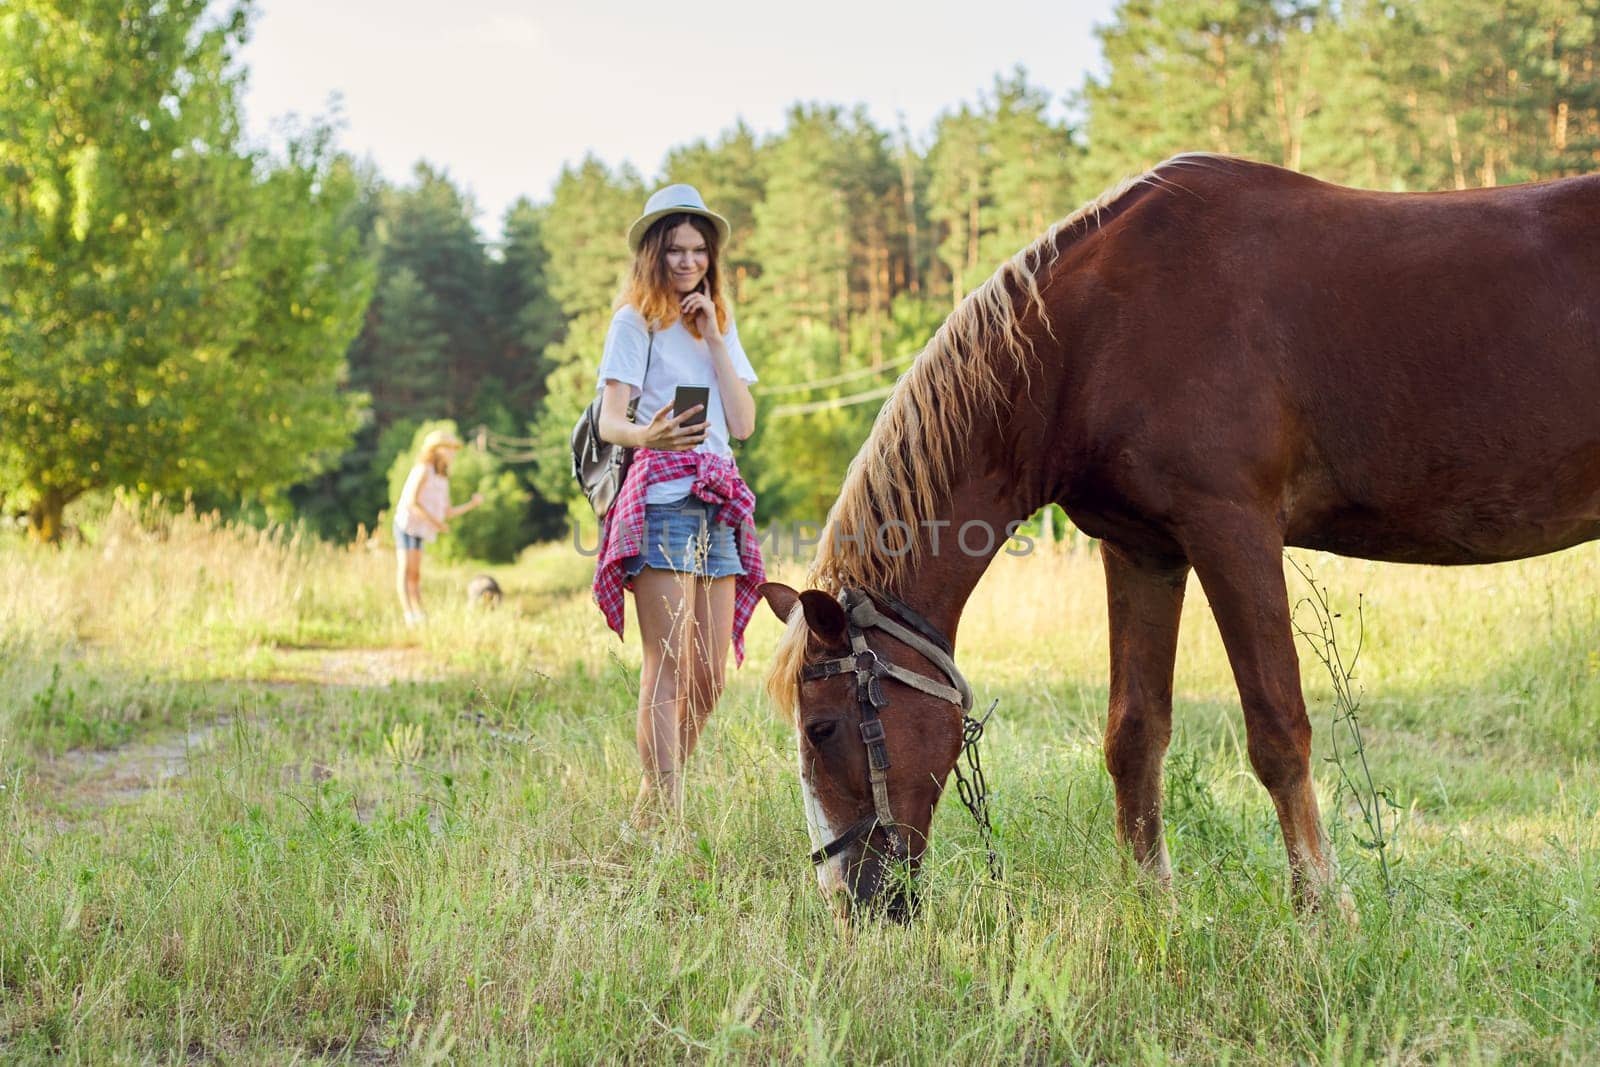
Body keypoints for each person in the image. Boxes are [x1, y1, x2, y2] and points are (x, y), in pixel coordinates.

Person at [591, 184, 766, 825]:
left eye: (698, 251)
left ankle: (648, 805)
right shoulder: (633, 321)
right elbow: (612, 420)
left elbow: (742, 425)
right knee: (664, 666)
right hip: (663, 494)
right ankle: (667, 815)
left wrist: (715, 339)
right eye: (675, 251)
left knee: (709, 676)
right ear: (653, 255)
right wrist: (649, 434)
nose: (688, 262)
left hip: (720, 497)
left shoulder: (718, 324)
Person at [393, 428, 483, 625]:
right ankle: (408, 614)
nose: (452, 452)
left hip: (420, 528)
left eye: (453, 449)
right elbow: (411, 502)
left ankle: (419, 613)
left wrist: (472, 504)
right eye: (448, 448)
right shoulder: (422, 469)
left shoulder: (442, 478)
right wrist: (435, 523)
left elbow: (447, 512)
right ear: (436, 450)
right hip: (406, 524)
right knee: (405, 569)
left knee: (415, 572)